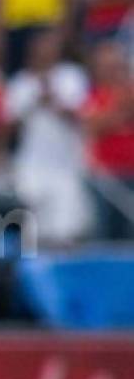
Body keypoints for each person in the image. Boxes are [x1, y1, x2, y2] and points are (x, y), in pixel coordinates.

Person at [4, 28, 91, 245]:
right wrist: (33, 102)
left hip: (66, 165)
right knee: (32, 230)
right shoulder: (20, 83)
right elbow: (9, 128)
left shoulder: (72, 77)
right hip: (31, 164)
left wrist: (53, 100)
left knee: (66, 231)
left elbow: (82, 115)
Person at [81, 39, 134, 239]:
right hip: (107, 178)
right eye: (107, 67)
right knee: (106, 232)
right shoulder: (94, 96)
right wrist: (120, 108)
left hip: (132, 172)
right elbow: (93, 126)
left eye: (116, 66)